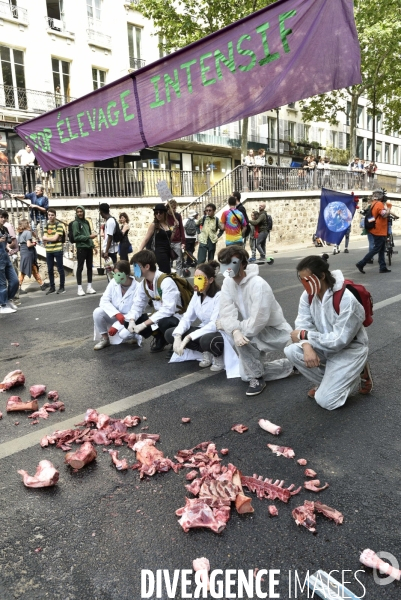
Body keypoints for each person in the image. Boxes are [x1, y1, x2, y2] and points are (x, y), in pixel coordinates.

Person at [284, 255, 372, 410]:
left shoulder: (346, 300)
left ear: (322, 276)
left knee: (326, 401)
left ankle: (355, 375)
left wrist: (305, 336)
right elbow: (302, 323)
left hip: (349, 350)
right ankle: (330, 383)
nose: (304, 284)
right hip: (324, 344)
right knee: (291, 350)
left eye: (308, 279)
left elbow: (339, 340)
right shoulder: (308, 296)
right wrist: (306, 346)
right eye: (301, 279)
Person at [217, 245, 293, 396]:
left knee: (239, 333)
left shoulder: (258, 284)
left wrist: (235, 329)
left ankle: (265, 374)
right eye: (224, 263)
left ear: (243, 264)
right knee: (246, 375)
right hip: (250, 331)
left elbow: (259, 319)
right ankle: (265, 374)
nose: (228, 268)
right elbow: (225, 312)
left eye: (232, 263)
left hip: (275, 330)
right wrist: (235, 330)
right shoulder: (227, 283)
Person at [165, 261, 238, 375]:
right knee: (170, 333)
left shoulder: (219, 296)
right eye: (195, 277)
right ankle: (205, 351)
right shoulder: (197, 294)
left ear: (210, 280)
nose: (196, 281)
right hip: (204, 330)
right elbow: (187, 318)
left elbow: (214, 325)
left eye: (200, 278)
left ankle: (217, 356)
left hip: (220, 331)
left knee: (206, 339)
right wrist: (178, 335)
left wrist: (188, 337)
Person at [126, 250, 184, 353]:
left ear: (147, 267)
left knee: (165, 321)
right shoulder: (143, 284)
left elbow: (168, 310)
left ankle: (176, 341)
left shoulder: (166, 281)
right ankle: (160, 338)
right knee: (130, 318)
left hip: (175, 317)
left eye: (136, 266)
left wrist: (144, 324)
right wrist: (131, 320)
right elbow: (138, 304)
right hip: (159, 315)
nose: (134, 269)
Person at [93, 260, 139, 350]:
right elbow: (104, 300)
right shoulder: (113, 282)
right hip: (116, 315)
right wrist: (116, 313)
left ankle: (134, 335)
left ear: (126, 274)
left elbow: (135, 311)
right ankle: (105, 339)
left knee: (124, 334)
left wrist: (116, 326)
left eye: (118, 274)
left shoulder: (138, 287)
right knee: (97, 312)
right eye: (114, 273)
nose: (115, 277)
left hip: (130, 319)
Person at [356, 189, 392, 274]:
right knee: (376, 249)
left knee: (381, 249)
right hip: (379, 230)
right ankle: (361, 263)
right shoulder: (379, 204)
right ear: (381, 196)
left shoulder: (373, 204)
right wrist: (389, 208)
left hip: (377, 230)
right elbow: (384, 215)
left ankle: (382, 267)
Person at [17, 219, 49, 293]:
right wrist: (34, 243)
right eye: (28, 223)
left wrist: (32, 232)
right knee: (24, 271)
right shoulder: (27, 233)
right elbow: (28, 244)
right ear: (26, 224)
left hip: (23, 252)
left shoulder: (20, 233)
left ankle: (42, 284)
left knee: (32, 269)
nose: (29, 224)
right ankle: (18, 288)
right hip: (28, 253)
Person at [71, 206, 97, 296]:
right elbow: (76, 237)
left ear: (83, 212)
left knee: (90, 267)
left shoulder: (86, 222)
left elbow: (88, 234)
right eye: (78, 212)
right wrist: (89, 237)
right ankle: (79, 288)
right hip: (81, 248)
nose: (79, 213)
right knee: (80, 268)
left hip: (88, 247)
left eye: (81, 211)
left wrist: (93, 246)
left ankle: (89, 287)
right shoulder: (75, 223)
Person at [139, 204, 172, 274]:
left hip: (167, 251)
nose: (158, 214)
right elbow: (146, 239)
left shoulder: (167, 224)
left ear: (164, 213)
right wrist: (139, 251)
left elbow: (170, 239)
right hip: (159, 252)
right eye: (156, 213)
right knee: (165, 272)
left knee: (166, 271)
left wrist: (174, 229)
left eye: (160, 212)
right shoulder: (154, 225)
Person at [42, 208, 65, 295]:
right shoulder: (46, 226)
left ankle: (62, 287)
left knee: (60, 269)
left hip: (58, 249)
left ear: (55, 216)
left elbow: (55, 238)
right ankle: (52, 287)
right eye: (49, 215)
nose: (50, 217)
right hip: (49, 250)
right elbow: (44, 238)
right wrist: (50, 239)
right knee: (50, 269)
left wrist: (48, 239)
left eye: (52, 215)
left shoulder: (59, 225)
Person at [0, 211, 19, 314]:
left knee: (15, 280)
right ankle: (3, 305)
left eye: (5, 217)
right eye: (2, 217)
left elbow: (7, 243)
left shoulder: (5, 229)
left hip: (6, 257)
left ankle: (8, 300)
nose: (3, 219)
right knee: (2, 283)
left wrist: (8, 248)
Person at [167, 199, 186, 276]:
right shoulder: (165, 216)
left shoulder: (177, 216)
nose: (174, 210)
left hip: (177, 241)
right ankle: (168, 276)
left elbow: (181, 228)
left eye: (175, 208)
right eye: (172, 208)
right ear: (168, 208)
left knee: (179, 260)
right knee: (168, 260)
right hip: (168, 241)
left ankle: (179, 277)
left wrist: (183, 242)